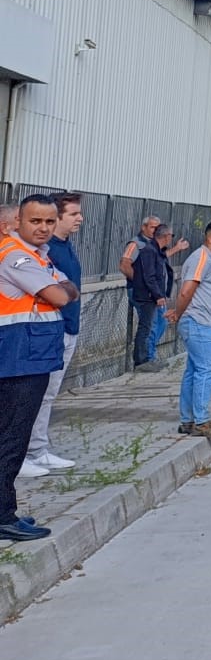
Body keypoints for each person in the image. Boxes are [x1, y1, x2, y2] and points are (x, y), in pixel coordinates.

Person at [0, 194, 71, 542]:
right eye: (35, 221)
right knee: (10, 439)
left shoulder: (38, 258)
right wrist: (58, 290)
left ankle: (6, 510)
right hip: (18, 358)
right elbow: (60, 295)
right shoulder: (15, 256)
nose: (43, 227)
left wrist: (60, 288)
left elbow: (67, 284)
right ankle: (1, 517)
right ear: (18, 223)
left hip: (30, 356)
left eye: (48, 221)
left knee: (14, 436)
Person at [21, 192, 84, 476]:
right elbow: (57, 293)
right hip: (48, 331)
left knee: (48, 396)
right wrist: (66, 292)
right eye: (73, 214)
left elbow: (68, 288)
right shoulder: (46, 252)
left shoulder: (62, 248)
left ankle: (38, 450)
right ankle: (27, 454)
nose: (79, 219)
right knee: (34, 395)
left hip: (68, 328)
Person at [165, 220, 211, 437]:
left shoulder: (210, 259)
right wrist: (178, 312)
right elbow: (187, 291)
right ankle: (201, 422)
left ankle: (188, 420)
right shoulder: (201, 257)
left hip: (204, 322)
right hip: (200, 322)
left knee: (194, 370)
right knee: (207, 369)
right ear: (210, 238)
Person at [128, 222, 177, 369]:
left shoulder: (157, 251)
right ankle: (141, 361)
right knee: (146, 327)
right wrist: (157, 295)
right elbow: (149, 276)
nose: (171, 239)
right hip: (147, 296)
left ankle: (148, 358)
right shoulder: (149, 251)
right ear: (166, 236)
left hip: (152, 296)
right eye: (171, 236)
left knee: (153, 326)